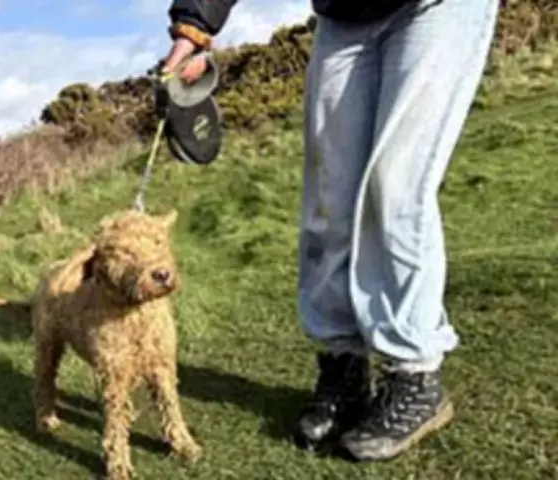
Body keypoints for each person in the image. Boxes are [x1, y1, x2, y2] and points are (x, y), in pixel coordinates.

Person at [161, 0, 500, 461]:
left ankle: (415, 375)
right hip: (344, 17)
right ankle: (343, 365)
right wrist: (193, 29)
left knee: (395, 186)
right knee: (328, 198)